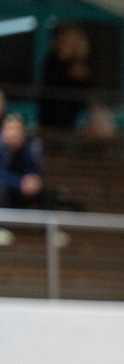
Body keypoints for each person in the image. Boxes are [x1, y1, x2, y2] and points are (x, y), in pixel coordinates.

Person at [0, 114, 61, 246]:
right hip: (7, 194)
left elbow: (37, 171)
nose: (12, 133)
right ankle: (3, 229)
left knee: (48, 193)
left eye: (15, 129)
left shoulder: (32, 145)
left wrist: (34, 181)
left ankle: (50, 232)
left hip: (27, 192)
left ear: (22, 131)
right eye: (9, 129)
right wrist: (19, 182)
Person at [39, 22, 93, 130]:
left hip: (72, 117)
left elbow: (83, 92)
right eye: (66, 39)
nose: (68, 43)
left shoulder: (80, 62)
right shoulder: (51, 60)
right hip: (50, 115)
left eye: (73, 41)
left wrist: (80, 76)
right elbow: (49, 85)